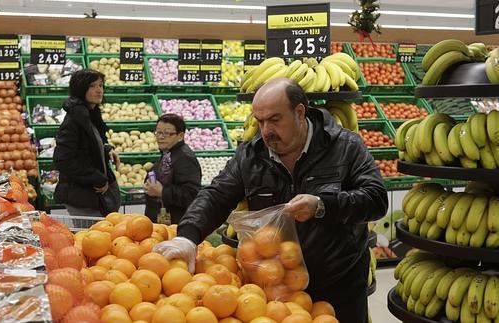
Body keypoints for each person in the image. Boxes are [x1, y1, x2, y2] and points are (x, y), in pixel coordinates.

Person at [154, 78, 388, 323]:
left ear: (299, 113)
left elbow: (376, 199)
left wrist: (322, 205)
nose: (266, 131)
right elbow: (217, 194)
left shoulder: (345, 146)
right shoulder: (251, 154)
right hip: (277, 287)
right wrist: (188, 235)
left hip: (339, 283)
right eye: (260, 121)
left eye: (275, 120)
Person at [53, 69, 121, 217]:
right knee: (91, 238)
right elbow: (63, 160)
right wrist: (97, 178)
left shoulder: (90, 114)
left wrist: (106, 149)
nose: (99, 90)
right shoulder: (74, 120)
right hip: (81, 197)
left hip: (91, 196)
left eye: (101, 85)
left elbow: (90, 143)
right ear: (80, 88)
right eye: (92, 86)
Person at [144, 113, 202, 224]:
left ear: (180, 136)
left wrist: (162, 192)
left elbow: (191, 193)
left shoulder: (185, 158)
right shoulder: (168, 153)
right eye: (158, 132)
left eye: (167, 133)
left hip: (176, 225)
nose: (161, 137)